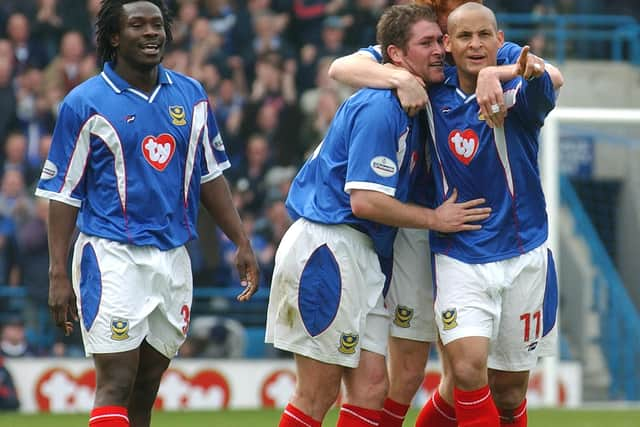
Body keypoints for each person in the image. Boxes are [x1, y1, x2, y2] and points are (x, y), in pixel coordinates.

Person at [34, 1, 260, 427]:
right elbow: (63, 195)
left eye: (157, 24)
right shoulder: (84, 103)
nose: (151, 32)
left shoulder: (191, 95)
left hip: (174, 257)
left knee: (147, 384)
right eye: (137, 25)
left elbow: (209, 176)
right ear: (115, 36)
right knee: (117, 380)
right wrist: (58, 272)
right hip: (112, 255)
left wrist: (241, 240)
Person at [265, 4, 491, 427]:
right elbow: (365, 203)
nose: (441, 50)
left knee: (371, 389)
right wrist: (435, 219)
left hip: (366, 251)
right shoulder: (380, 108)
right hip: (329, 247)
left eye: (441, 40)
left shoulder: (409, 100)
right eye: (428, 43)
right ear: (397, 55)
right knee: (317, 393)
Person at [426, 3, 562, 426]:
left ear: (499, 40)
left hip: (523, 255)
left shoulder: (519, 91)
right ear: (447, 44)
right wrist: (395, 77)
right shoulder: (431, 90)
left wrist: (498, 74)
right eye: (464, 37)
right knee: (466, 371)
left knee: (508, 394)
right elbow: (350, 66)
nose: (475, 45)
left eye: (484, 35)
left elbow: (547, 76)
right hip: (460, 254)